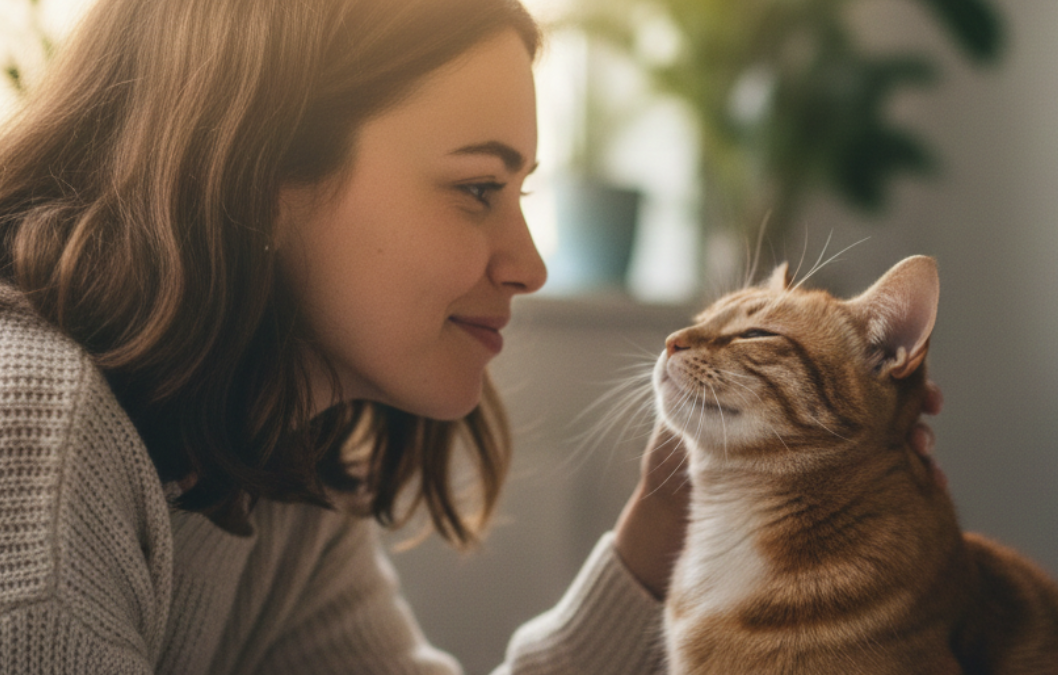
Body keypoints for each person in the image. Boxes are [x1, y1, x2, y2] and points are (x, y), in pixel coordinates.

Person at [0, 0, 941, 672]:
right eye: (477, 189)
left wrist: (660, 532)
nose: (529, 263)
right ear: (263, 171)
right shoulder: (39, 432)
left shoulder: (277, 469)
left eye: (521, 194)